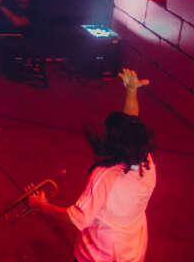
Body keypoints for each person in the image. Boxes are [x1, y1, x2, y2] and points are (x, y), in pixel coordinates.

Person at [28, 68, 157, 262]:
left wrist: (40, 205)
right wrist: (131, 91)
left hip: (98, 255)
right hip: (132, 252)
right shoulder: (146, 161)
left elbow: (77, 217)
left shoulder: (105, 174)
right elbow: (131, 126)